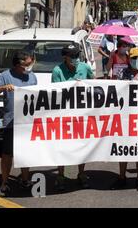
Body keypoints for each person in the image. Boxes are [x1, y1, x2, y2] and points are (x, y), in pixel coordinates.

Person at [0, 51, 37, 197]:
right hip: (11, 123)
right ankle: (4, 182)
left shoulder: (32, 76)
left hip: (27, 123)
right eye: (28, 64)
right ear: (19, 64)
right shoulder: (5, 76)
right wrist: (4, 88)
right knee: (7, 155)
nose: (31, 66)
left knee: (26, 153)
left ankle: (24, 179)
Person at [51, 44, 95, 191]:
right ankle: (60, 175)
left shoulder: (85, 67)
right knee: (62, 146)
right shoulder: (57, 71)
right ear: (65, 57)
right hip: (64, 115)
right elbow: (55, 93)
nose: (76, 59)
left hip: (82, 115)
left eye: (77, 56)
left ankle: (81, 174)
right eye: (73, 56)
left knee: (81, 146)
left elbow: (93, 84)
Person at [110, 47, 138, 192]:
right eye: (133, 58)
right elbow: (116, 90)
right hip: (125, 116)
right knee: (123, 146)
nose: (135, 61)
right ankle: (122, 177)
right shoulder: (123, 72)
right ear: (129, 58)